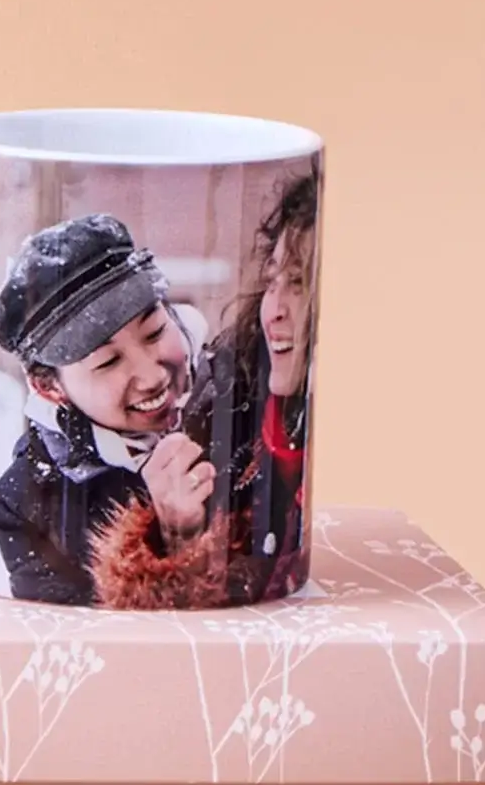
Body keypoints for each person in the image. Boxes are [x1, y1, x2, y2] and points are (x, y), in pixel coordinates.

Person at [89, 168, 320, 609]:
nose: (274, 310)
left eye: (298, 282)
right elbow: (198, 616)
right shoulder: (225, 406)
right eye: (272, 281)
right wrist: (176, 537)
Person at [0, 213, 208, 606]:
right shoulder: (28, 502)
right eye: (108, 362)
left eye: (155, 331)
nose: (151, 375)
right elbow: (77, 646)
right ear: (49, 387)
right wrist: (169, 541)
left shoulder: (237, 394)